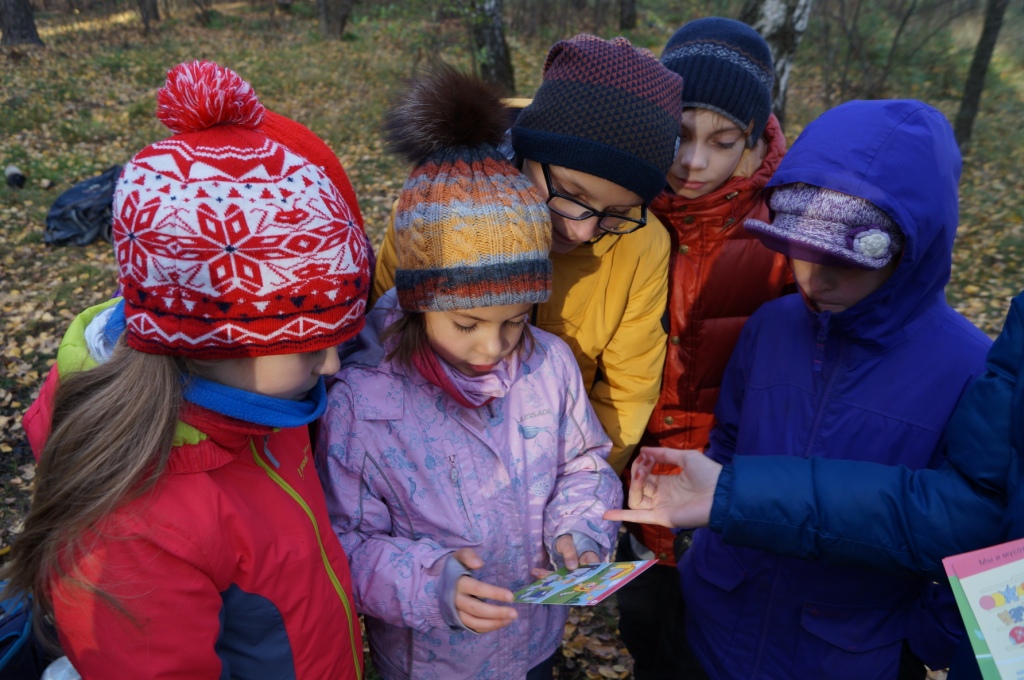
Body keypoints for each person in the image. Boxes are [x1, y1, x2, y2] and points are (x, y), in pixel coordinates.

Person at [0, 60, 370, 679]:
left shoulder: (260, 400)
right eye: (312, 346)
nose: (334, 365)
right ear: (212, 339)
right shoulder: (132, 527)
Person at [609, 98, 994, 679]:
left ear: (915, 247)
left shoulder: (971, 370)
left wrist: (924, 640)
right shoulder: (772, 326)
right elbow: (730, 447)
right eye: (802, 253)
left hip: (843, 655)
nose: (816, 278)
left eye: (846, 261)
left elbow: (975, 535)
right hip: (711, 627)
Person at [316, 64, 622, 680]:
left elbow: (584, 467)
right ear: (419, 300)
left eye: (514, 320)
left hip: (534, 645)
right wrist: (432, 586)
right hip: (429, 659)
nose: (491, 346)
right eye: (466, 324)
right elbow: (343, 541)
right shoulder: (363, 401)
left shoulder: (549, 364)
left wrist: (580, 533)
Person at [371, 34, 685, 473]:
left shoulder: (641, 243)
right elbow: (383, 336)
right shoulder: (441, 203)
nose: (581, 229)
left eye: (616, 212)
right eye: (571, 193)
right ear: (529, 151)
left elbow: (626, 391)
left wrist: (576, 492)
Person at [615, 18, 792, 679]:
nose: (693, 162)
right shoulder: (620, 203)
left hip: (727, 488)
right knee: (645, 624)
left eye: (720, 142)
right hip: (630, 478)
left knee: (710, 642)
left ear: (753, 142)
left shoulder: (781, 230)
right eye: (679, 135)